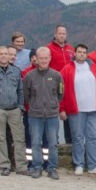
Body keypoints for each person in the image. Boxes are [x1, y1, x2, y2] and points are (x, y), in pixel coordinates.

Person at [59, 44, 96, 176]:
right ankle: (79, 164)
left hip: (93, 109)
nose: (82, 54)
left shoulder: (93, 67)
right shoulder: (67, 69)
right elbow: (61, 91)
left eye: (84, 52)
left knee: (92, 137)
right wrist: (61, 108)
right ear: (74, 53)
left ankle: (92, 165)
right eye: (79, 52)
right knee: (78, 137)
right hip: (76, 109)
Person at [0, 46, 26, 176]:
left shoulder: (16, 72)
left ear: (9, 56)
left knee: (19, 138)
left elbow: (20, 90)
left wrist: (20, 107)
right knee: (0, 138)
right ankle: (5, 165)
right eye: (0, 54)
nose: (3, 56)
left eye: (5, 54)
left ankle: (21, 166)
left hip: (14, 110)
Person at [24, 47, 64, 180]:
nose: (43, 60)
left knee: (52, 143)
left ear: (50, 58)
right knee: (35, 142)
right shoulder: (30, 76)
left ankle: (52, 168)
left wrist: (53, 105)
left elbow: (60, 94)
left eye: (46, 58)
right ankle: (37, 167)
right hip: (35, 115)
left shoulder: (57, 75)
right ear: (36, 59)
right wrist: (34, 105)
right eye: (41, 58)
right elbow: (26, 95)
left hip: (52, 114)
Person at [47, 24, 75, 144]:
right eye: (60, 33)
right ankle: (54, 142)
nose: (62, 35)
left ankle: (69, 141)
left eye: (64, 33)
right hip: (53, 84)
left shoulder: (71, 49)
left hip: (69, 84)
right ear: (55, 34)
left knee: (68, 113)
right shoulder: (49, 48)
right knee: (53, 113)